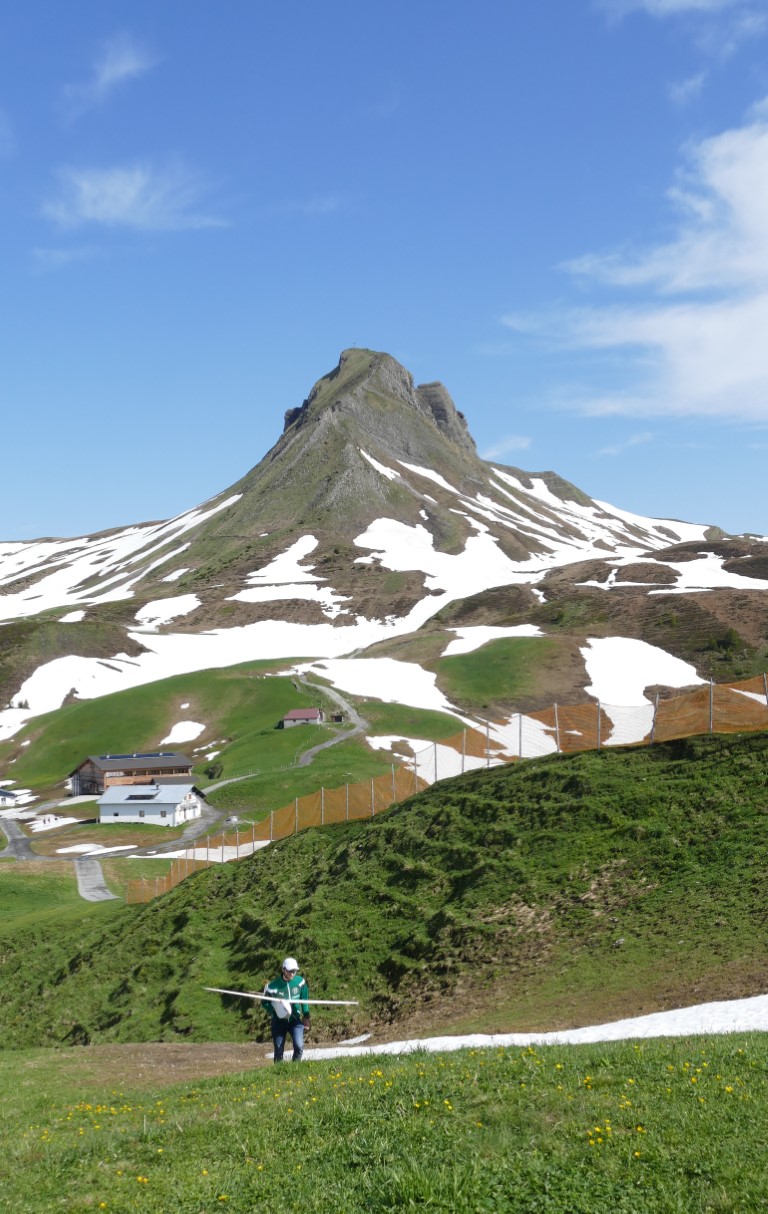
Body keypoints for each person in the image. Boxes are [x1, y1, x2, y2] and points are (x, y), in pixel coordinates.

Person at [263, 956, 310, 1062]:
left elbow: (304, 999)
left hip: (295, 1020)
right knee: (279, 1051)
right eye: (289, 971)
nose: (292, 974)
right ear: (283, 969)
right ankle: (279, 1073)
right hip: (279, 1021)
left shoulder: (300, 982)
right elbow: (265, 1002)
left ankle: (295, 1068)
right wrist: (275, 1010)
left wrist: (306, 1016)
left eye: (294, 971)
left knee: (299, 1046)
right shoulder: (273, 986)